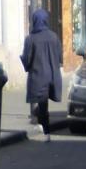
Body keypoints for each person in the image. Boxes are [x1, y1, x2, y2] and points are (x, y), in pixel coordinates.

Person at [21, 7, 62, 139]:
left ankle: (44, 130)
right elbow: (60, 57)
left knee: (41, 104)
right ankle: (45, 130)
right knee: (44, 104)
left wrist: (26, 65)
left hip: (38, 76)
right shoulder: (54, 37)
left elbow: (27, 59)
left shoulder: (30, 39)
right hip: (52, 76)